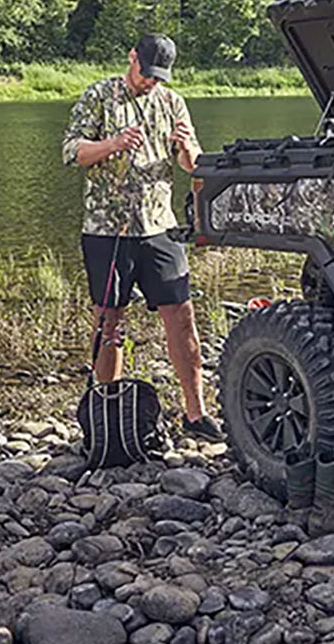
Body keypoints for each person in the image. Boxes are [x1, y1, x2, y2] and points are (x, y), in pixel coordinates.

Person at [62, 32, 222, 441]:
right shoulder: (99, 95)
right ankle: (110, 413)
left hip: (159, 228)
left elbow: (192, 167)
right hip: (106, 229)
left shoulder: (173, 103)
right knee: (110, 322)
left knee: (182, 318)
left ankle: (195, 412)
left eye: (158, 77)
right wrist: (112, 144)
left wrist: (187, 151)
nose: (151, 82)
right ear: (132, 57)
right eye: (147, 73)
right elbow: (73, 152)